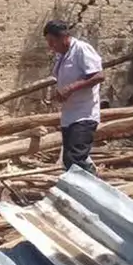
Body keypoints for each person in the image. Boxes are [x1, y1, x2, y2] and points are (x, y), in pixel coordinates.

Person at [44, 20, 105, 175]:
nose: (51, 46)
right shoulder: (61, 56)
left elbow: (98, 76)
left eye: (53, 41)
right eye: (48, 41)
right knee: (70, 159)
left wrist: (71, 88)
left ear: (64, 37)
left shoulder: (81, 49)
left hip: (84, 114)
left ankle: (86, 191)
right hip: (69, 115)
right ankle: (90, 178)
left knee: (75, 159)